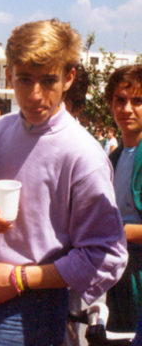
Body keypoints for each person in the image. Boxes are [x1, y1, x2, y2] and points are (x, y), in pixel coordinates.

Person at [0, 19, 128, 345]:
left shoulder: (83, 154)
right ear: (9, 74)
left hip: (33, 308)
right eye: (24, 79)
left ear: (68, 78)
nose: (35, 95)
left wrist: (21, 278)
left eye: (48, 80)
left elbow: (106, 254)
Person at [105, 65, 142, 332]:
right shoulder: (112, 160)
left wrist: (123, 232)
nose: (127, 109)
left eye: (138, 101)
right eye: (120, 100)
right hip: (120, 280)